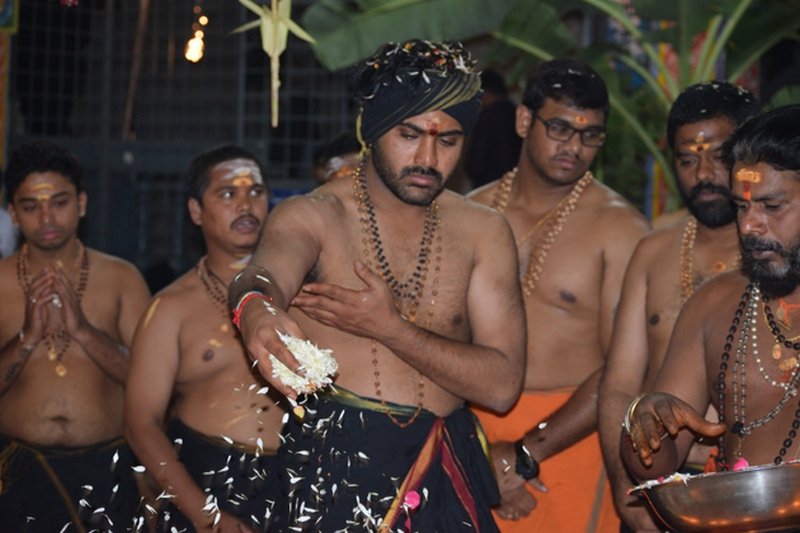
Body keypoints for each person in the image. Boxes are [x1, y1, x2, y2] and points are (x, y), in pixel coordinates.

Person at [228, 39, 526, 532]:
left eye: (448, 140)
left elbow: (500, 386)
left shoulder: (484, 230)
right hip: (337, 475)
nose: (428, 158)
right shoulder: (316, 215)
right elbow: (262, 273)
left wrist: (390, 329)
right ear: (371, 128)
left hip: (447, 470)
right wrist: (257, 310)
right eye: (409, 134)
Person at [469, 58, 650, 532]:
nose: (575, 147)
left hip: (571, 440)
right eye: (562, 128)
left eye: (591, 135)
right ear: (524, 120)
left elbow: (625, 367)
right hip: (470, 435)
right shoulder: (469, 214)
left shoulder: (620, 228)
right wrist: (476, 448)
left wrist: (529, 451)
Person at [597, 81, 759, 532]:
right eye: (687, 160)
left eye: (719, 157)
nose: (703, 173)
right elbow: (619, 384)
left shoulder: (777, 256)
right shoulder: (653, 253)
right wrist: (624, 486)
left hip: (762, 485)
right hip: (659, 481)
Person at [622, 104, 800, 486]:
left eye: (772, 206)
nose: (750, 225)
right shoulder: (713, 305)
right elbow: (655, 467)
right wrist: (644, 426)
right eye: (741, 206)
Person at [125, 145, 283, 532]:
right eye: (228, 194)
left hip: (294, 481)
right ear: (196, 211)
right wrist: (206, 516)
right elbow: (140, 423)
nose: (246, 205)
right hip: (204, 480)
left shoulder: (300, 292)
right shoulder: (169, 308)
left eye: (255, 192)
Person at [0, 140, 151, 531]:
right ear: (13, 214)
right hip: (19, 470)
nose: (47, 216)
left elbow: (152, 385)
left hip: (107, 473)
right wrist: (27, 338)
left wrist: (83, 331)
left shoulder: (122, 278)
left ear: (82, 203)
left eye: (60, 202)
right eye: (31, 206)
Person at [466, 69, 522, 189]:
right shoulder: (516, 114)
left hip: (486, 181)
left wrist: (472, 170)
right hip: (513, 182)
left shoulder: (488, 116)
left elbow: (478, 155)